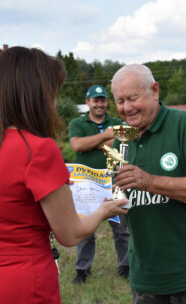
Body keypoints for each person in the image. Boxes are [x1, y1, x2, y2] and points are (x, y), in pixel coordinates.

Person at [0, 47, 128, 304]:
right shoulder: (39, 150)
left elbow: (0, 196)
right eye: (52, 94)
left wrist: (53, 189)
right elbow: (70, 234)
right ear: (36, 95)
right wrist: (103, 210)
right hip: (18, 285)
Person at [110, 64, 186, 303]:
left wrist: (149, 181)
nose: (126, 108)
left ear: (154, 91)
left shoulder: (183, 123)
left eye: (132, 98)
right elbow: (120, 199)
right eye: (120, 101)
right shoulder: (121, 139)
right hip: (147, 275)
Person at [68, 84, 130, 284]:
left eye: (103, 100)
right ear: (88, 102)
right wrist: (105, 136)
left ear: (107, 102)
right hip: (87, 185)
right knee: (85, 229)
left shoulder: (117, 121)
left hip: (115, 182)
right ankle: (82, 270)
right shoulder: (78, 123)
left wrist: (91, 143)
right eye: (96, 100)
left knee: (121, 229)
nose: (99, 104)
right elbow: (77, 145)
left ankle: (125, 266)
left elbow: (124, 143)